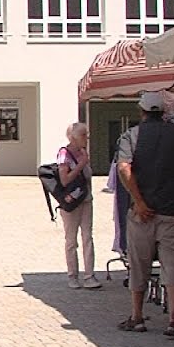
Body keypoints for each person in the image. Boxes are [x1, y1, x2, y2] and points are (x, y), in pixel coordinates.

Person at [115, 91, 174, 339]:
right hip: (173, 209)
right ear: (163, 112)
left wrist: (139, 201)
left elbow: (124, 168)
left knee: (138, 264)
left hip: (142, 213)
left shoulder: (131, 136)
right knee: (173, 265)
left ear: (141, 111)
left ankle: (137, 316)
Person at [58, 123, 102, 289]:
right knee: (71, 240)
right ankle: (72, 275)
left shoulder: (84, 153)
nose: (86, 138)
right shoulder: (64, 154)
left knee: (88, 237)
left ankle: (89, 276)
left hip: (86, 199)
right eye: (83, 135)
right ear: (73, 137)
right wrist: (81, 164)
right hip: (71, 202)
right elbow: (65, 180)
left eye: (87, 135)